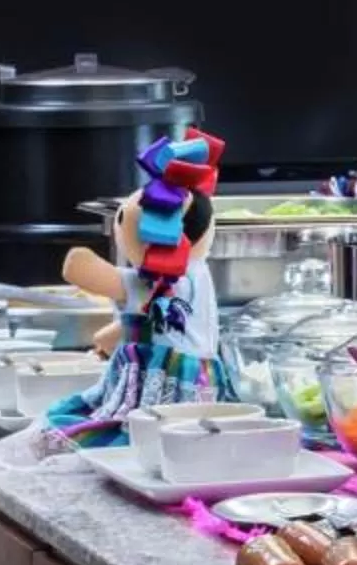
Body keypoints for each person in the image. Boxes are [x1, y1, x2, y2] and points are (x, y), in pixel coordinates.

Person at [34, 130, 236, 447]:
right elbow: (152, 320)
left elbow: (78, 268)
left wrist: (83, 260)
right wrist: (107, 339)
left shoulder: (152, 281)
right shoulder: (199, 273)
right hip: (205, 375)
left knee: (123, 430)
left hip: (160, 374)